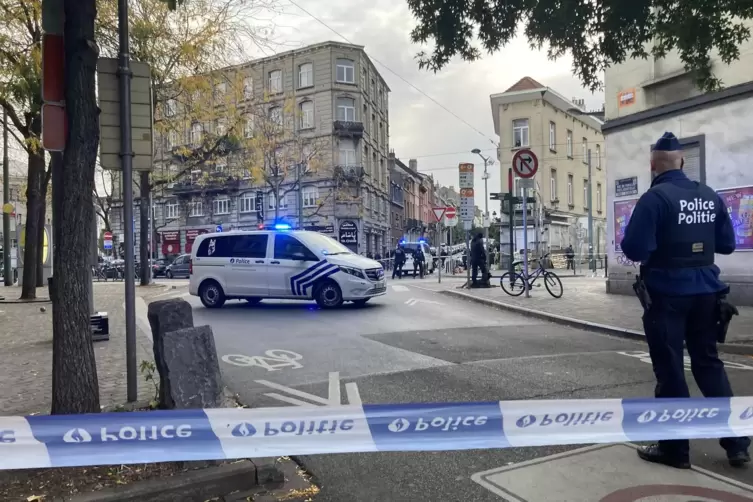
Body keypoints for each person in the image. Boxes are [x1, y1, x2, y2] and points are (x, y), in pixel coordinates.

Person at [621, 131, 750, 469]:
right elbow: (726, 244)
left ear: (653, 165)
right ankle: (737, 443)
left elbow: (635, 249)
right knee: (709, 364)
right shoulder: (708, 195)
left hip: (666, 296)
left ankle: (675, 450)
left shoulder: (653, 199)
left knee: (671, 371)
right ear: (681, 160)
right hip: (708, 294)